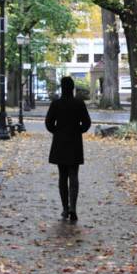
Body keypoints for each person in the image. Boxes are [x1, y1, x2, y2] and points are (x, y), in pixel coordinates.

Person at [45, 76, 91, 222]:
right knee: (74, 175)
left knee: (62, 176)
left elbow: (48, 123)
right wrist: (78, 130)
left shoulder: (56, 104)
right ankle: (73, 208)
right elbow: (87, 123)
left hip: (60, 143)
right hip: (75, 142)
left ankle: (65, 208)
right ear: (72, 88)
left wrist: (57, 131)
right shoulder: (79, 103)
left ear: (62, 88)